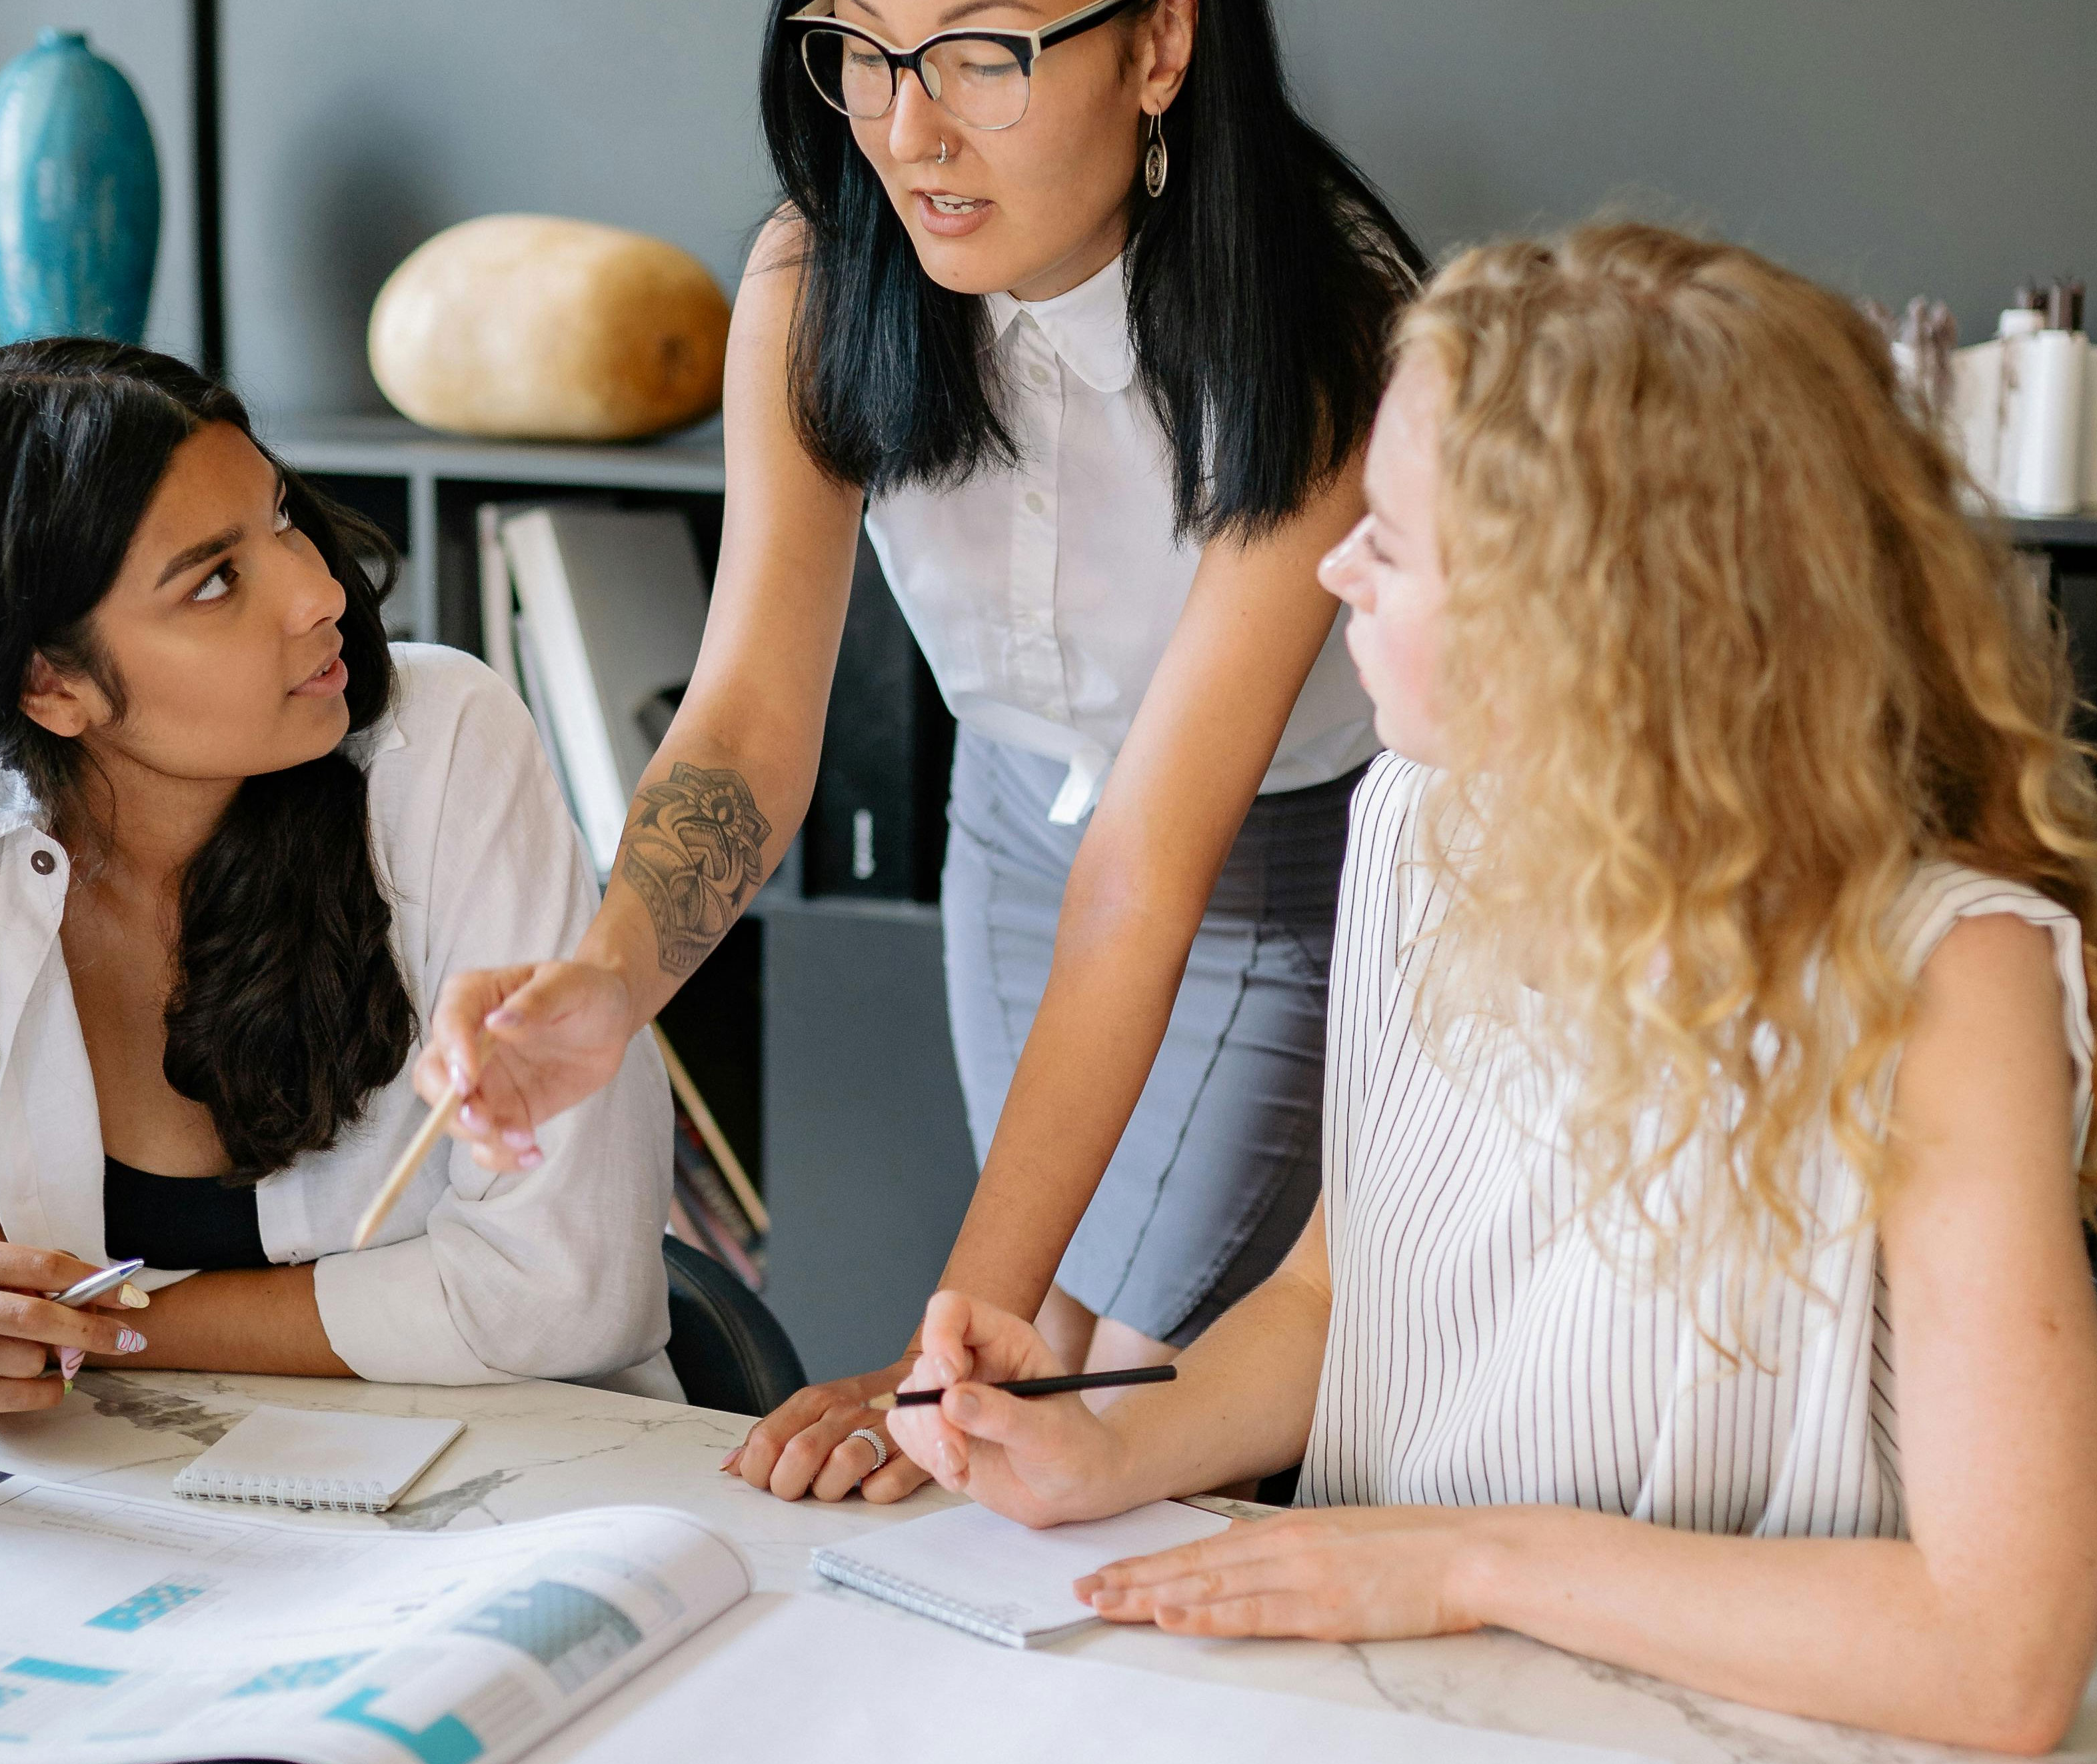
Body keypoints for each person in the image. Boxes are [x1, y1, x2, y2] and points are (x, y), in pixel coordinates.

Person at [882, 223, 2097, 1753]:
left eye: (1396, 542)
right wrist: (1105, 1443)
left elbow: (1997, 1659)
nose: (1336, 563)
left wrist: (1474, 1562)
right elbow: (1333, 1299)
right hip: (1410, 1722)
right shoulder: (1416, 819)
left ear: (1591, 620)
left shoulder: (1949, 974)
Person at [413, 0, 1421, 1503]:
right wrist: (610, 980)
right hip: (1011, 829)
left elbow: (1147, 866)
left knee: (1097, 1400)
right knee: (1022, 1390)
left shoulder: (1322, 321)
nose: (904, 129)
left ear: (1156, 46)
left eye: (978, 53)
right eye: (861, 46)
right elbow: (750, 719)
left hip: (1277, 858)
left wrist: (932, 1364)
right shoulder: (818, 268)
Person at [0, 341, 675, 1411]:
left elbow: (563, 1293)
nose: (317, 593)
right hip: (141, 1521)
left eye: (281, 521)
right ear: (51, 684)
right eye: (215, 581)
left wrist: (92, 1322)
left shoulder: (441, 747)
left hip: (524, 1491)